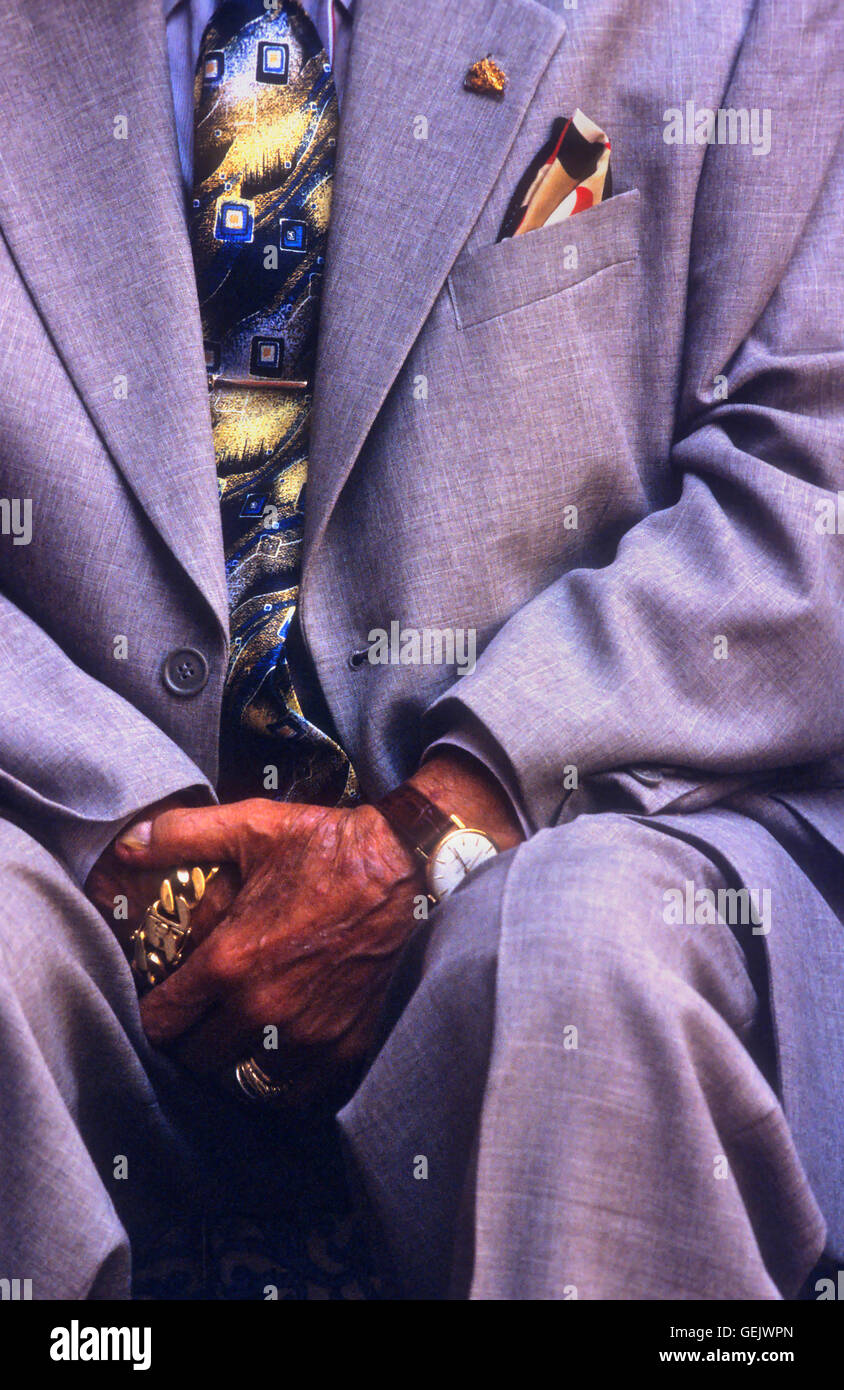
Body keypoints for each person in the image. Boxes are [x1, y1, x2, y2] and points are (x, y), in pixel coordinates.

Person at [0, 0, 841, 1300]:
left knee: (579, 949)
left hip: (580, 825)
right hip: (80, 862)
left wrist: (438, 828)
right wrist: (132, 846)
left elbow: (815, 480)